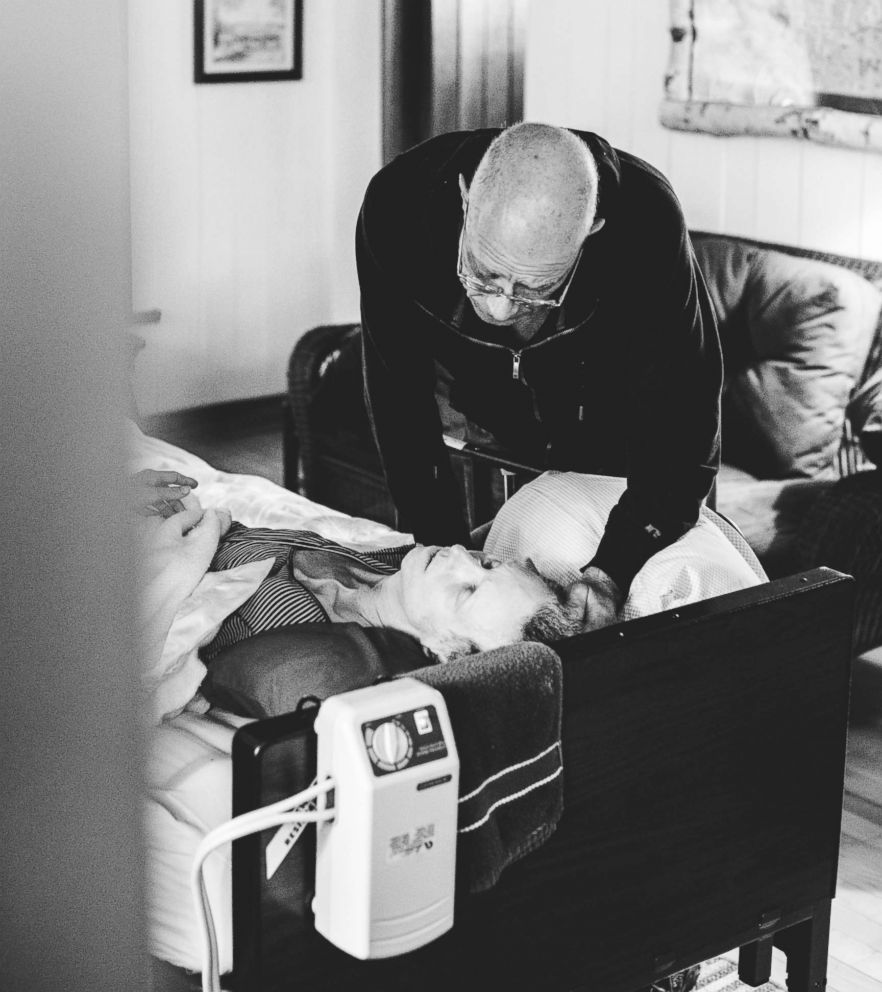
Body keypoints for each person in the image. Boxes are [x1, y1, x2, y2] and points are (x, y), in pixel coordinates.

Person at [356, 122, 723, 630]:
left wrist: (612, 570)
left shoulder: (646, 222)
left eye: (537, 287)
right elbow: (397, 394)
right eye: (483, 273)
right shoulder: (396, 208)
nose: (501, 307)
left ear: (590, 230)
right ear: (466, 198)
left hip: (618, 434)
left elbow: (685, 413)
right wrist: (438, 543)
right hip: (486, 410)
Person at [131, 472, 586, 665]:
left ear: (443, 650)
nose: (461, 556)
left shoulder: (299, 628)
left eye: (466, 590)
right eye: (486, 562)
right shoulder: (391, 565)